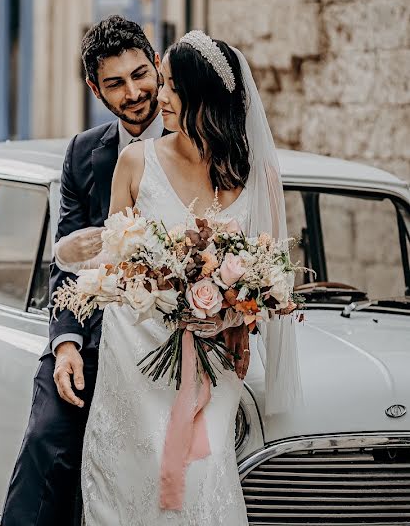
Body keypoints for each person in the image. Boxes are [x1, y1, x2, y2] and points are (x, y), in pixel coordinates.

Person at [0, 16, 249, 526]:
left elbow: (244, 244)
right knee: (48, 438)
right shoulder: (83, 154)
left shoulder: (220, 150)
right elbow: (66, 259)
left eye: (141, 75)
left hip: (196, 337)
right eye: (115, 83)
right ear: (96, 89)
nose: (134, 93)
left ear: (159, 67)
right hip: (99, 334)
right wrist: (65, 342)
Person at [55, 30, 302, 524]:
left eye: (167, 84)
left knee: (203, 480)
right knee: (126, 480)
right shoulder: (135, 161)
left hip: (216, 358)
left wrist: (232, 312)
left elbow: (273, 277)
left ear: (201, 96)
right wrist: (71, 255)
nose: (156, 97)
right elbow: (111, 261)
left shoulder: (258, 176)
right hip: (135, 355)